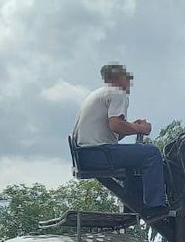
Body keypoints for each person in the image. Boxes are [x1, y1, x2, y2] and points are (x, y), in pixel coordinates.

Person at [71, 63, 169, 220]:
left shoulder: (99, 94)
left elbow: (113, 132)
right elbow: (116, 125)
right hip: (99, 153)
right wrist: (141, 129)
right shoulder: (117, 93)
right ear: (119, 78)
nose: (129, 83)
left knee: (135, 162)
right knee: (151, 153)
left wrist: (133, 126)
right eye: (127, 78)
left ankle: (132, 207)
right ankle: (155, 206)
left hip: (87, 155)